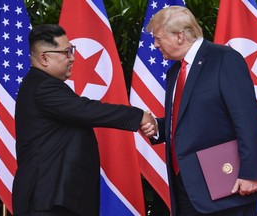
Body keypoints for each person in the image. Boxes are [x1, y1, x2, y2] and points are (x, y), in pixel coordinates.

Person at [12, 24, 156, 216]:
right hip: (46, 200)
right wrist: (138, 116)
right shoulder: (43, 87)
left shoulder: (42, 84)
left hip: (55, 199)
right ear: (44, 58)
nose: (72, 57)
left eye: (71, 50)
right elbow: (86, 110)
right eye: (65, 52)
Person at [141, 6, 257, 216]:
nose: (155, 45)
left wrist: (251, 173)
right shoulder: (175, 70)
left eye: (158, 38)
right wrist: (157, 126)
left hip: (226, 184)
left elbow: (248, 119)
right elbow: (188, 119)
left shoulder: (224, 59)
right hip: (186, 186)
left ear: (179, 36)